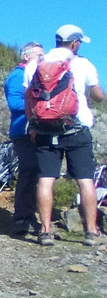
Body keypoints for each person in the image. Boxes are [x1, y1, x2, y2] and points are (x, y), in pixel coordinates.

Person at [23, 24, 104, 247]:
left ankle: (46, 231)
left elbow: (29, 98)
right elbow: (98, 96)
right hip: (76, 130)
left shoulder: (35, 65)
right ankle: (91, 231)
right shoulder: (82, 64)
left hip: (44, 131)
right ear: (75, 43)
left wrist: (32, 125)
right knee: (85, 181)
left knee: (46, 180)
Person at [4, 41, 44, 237]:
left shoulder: (35, 76)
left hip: (35, 130)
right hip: (23, 131)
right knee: (28, 172)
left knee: (36, 174)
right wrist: (39, 103)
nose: (42, 60)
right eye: (39, 56)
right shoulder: (17, 76)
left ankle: (30, 216)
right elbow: (14, 103)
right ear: (26, 57)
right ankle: (22, 218)